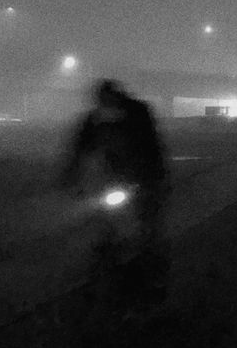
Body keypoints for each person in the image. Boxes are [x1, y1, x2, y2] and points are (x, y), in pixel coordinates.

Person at [61, 79, 169, 297]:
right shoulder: (94, 119)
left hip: (143, 176)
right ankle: (106, 267)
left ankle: (154, 278)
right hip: (114, 177)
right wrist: (70, 177)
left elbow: (151, 147)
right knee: (105, 220)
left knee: (146, 226)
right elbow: (79, 149)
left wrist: (152, 179)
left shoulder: (138, 114)